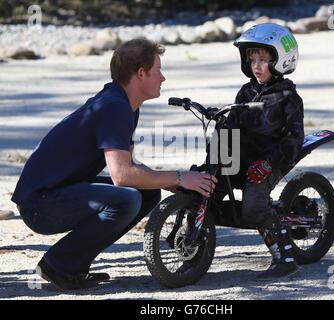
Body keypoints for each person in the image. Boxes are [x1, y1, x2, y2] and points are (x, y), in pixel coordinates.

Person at [11, 38, 217, 290]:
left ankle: (70, 266)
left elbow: (128, 164)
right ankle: (59, 265)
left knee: (147, 193)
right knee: (126, 199)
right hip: (39, 204)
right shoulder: (114, 108)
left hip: (51, 194)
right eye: (158, 70)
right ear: (141, 73)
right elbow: (122, 175)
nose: (163, 78)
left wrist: (169, 181)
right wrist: (180, 177)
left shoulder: (125, 104)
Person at [213, 23, 304, 279]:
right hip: (243, 157)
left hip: (270, 160)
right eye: (252, 59)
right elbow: (231, 127)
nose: (256, 65)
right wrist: (214, 161)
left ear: (280, 60)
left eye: (263, 59)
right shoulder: (246, 91)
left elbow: (294, 139)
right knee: (208, 186)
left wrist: (268, 164)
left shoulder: (288, 97)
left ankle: (285, 257)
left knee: (253, 207)